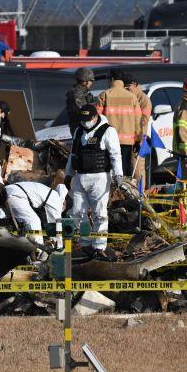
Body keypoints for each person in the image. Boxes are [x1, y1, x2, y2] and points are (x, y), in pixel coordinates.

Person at [65, 104, 122, 259]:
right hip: (80, 176)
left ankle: (99, 246)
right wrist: (68, 174)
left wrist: (118, 175)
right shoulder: (79, 131)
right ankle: (85, 244)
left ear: (95, 117)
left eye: (88, 119)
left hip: (100, 177)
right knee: (77, 211)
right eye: (82, 120)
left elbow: (115, 155)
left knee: (99, 213)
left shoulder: (108, 131)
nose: (85, 123)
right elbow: (73, 154)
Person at [4, 170, 68, 252]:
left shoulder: (48, 191)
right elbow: (55, 225)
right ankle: (39, 253)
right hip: (16, 196)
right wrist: (59, 246)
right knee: (34, 221)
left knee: (2, 219)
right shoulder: (56, 199)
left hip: (9, 191)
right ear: (63, 203)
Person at [95, 70, 143, 178]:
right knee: (124, 170)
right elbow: (138, 120)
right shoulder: (132, 97)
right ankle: (123, 191)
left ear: (112, 79)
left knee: (109, 171)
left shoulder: (105, 95)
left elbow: (97, 119)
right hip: (127, 141)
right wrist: (138, 140)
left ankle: (110, 193)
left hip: (108, 140)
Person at [65, 68, 96, 132]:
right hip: (80, 128)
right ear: (84, 81)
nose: (91, 83)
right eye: (91, 81)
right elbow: (83, 111)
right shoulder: (77, 94)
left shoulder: (84, 93)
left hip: (84, 126)